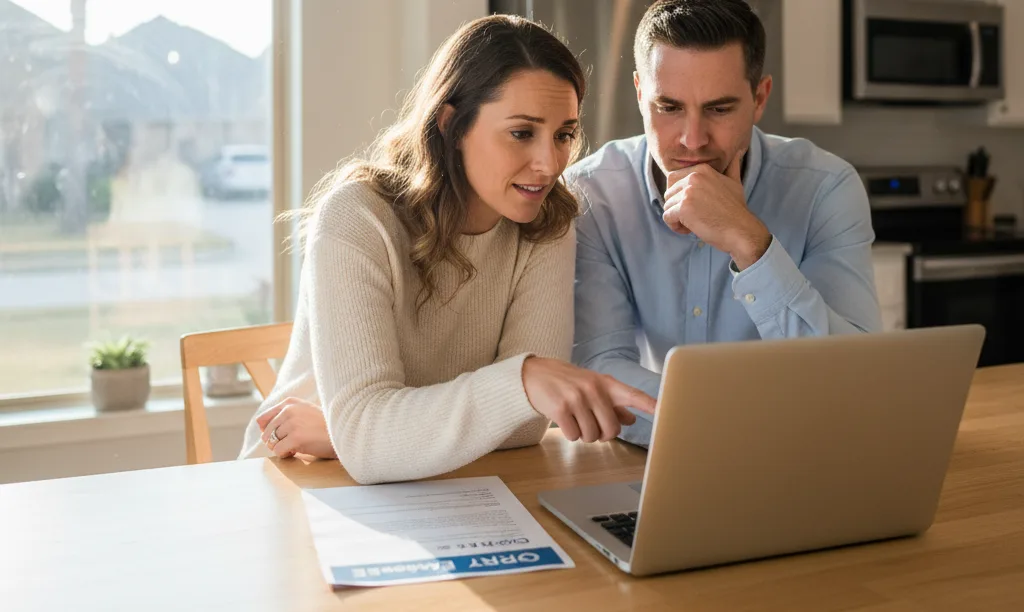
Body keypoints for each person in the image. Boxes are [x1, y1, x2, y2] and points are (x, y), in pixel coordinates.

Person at [238, 15, 656, 484]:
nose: (548, 163)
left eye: (563, 135)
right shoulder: (358, 219)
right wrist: (519, 382)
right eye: (522, 133)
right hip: (298, 480)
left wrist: (364, 437)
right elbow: (371, 438)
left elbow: (524, 426)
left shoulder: (548, 222)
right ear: (453, 124)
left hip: (436, 484)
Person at [568, 0, 882, 448]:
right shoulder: (590, 194)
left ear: (759, 99)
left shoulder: (826, 188)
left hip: (799, 465)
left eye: (718, 109)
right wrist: (740, 427)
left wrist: (750, 243)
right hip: (655, 463)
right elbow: (599, 371)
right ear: (640, 93)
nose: (693, 140)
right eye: (669, 107)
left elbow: (858, 380)